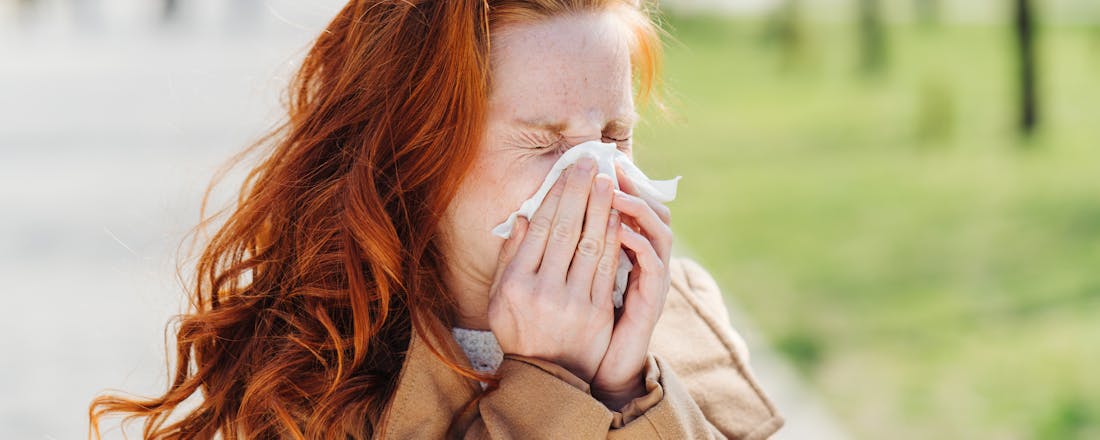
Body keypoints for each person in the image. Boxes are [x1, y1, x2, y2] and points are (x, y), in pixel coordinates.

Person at [89, 1, 783, 438]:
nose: (596, 177)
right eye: (544, 142)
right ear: (418, 154)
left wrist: (628, 392)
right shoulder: (315, 375)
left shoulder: (685, 318)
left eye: (615, 135)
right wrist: (550, 384)